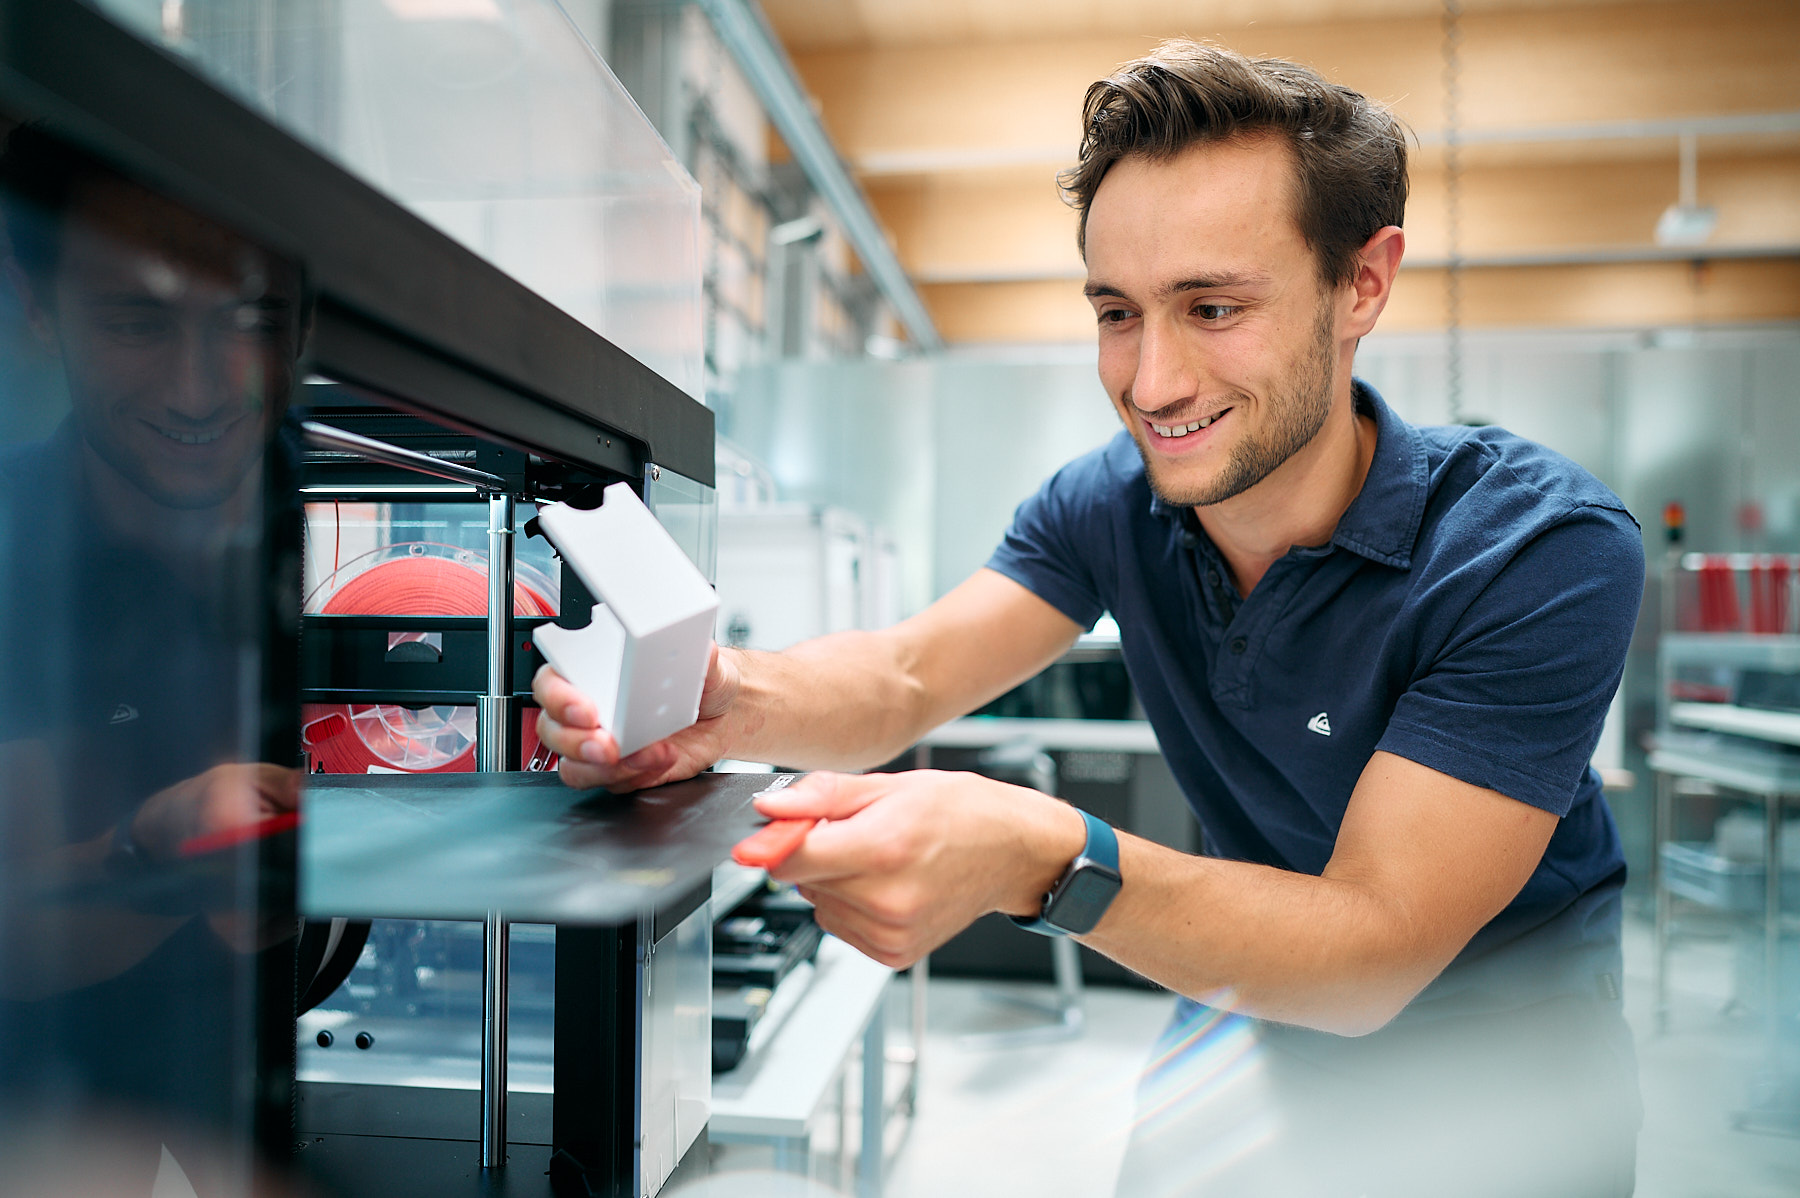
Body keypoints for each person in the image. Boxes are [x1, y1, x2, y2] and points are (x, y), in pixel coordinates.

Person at [534, 41, 1643, 1196]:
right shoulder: (1108, 504)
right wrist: (722, 700)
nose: (1151, 381)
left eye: (1213, 307)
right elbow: (911, 676)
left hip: (1510, 1086)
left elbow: (1374, 945)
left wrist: (1040, 854)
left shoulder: (1533, 550)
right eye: (1118, 312)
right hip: (1245, 1023)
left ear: (1362, 282)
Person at [0, 123, 305, 1193]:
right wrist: (152, 853)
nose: (199, 389)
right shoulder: (15, 555)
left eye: (251, 322)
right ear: (38, 307)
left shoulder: (389, 522)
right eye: (138, 319)